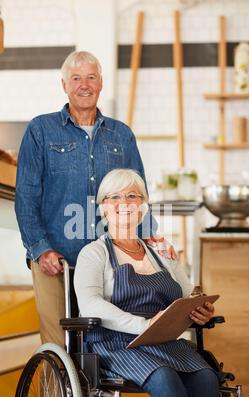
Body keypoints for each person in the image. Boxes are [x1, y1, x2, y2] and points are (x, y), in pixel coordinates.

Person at [15, 50, 175, 347]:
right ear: (64, 85)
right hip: (56, 259)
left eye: (90, 77)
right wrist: (40, 249)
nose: (84, 84)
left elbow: (138, 194)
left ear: (100, 83)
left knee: (105, 340)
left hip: (111, 260)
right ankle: (60, 395)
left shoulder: (121, 135)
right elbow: (26, 195)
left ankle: (94, 396)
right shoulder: (41, 130)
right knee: (58, 345)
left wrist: (150, 240)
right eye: (76, 78)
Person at [74, 168, 219, 397]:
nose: (125, 203)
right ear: (103, 206)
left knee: (206, 379)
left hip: (163, 342)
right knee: (164, 378)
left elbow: (189, 292)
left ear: (143, 206)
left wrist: (203, 307)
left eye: (133, 196)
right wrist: (144, 325)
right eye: (115, 197)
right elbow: (90, 304)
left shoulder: (161, 251)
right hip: (117, 344)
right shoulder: (94, 253)